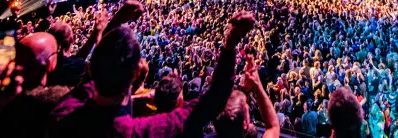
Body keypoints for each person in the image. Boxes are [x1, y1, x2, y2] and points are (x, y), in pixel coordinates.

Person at [48, 10, 255, 138]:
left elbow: (90, 78)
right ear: (135, 73)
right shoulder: (138, 132)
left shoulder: (61, 113)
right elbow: (213, 100)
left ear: (91, 68)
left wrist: (107, 30)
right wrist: (230, 44)